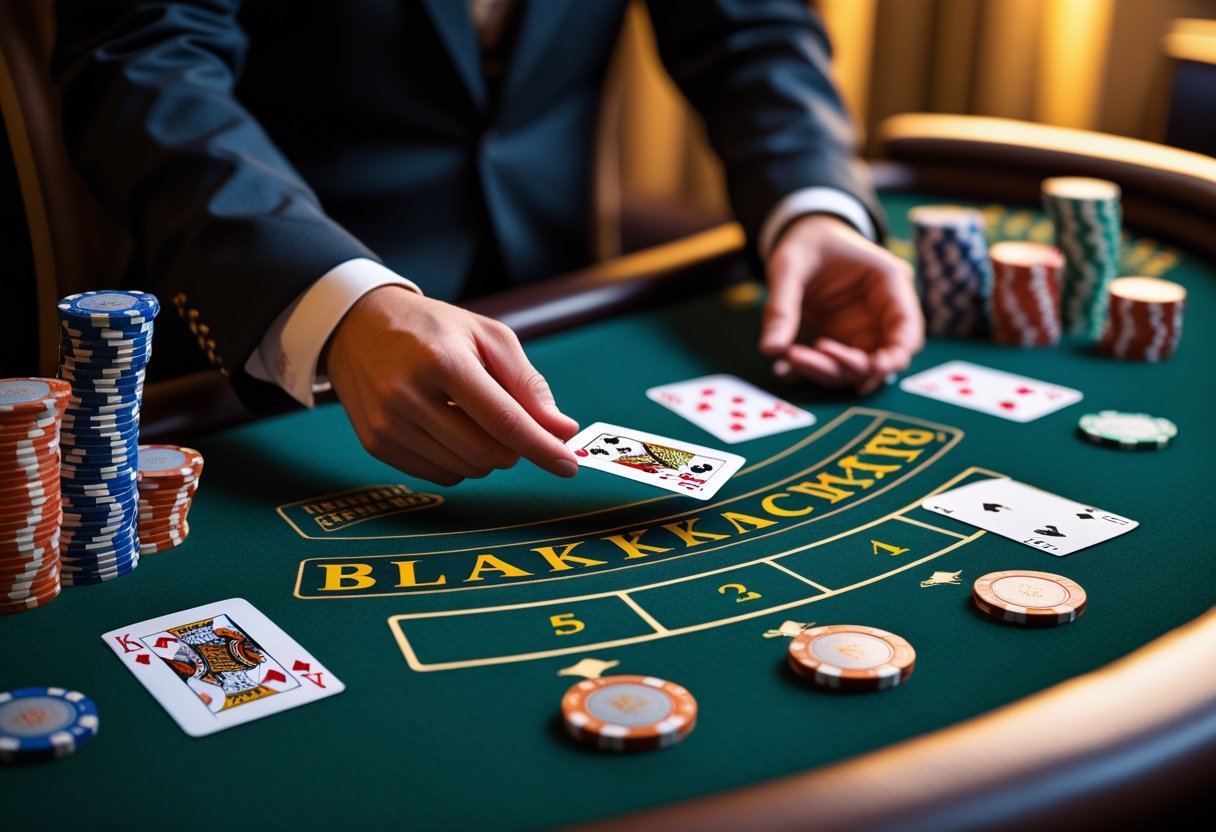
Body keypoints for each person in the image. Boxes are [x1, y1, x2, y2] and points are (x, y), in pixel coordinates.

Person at [52, 0, 923, 486]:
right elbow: (144, 61)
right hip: (265, 355)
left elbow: (753, 30)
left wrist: (813, 209)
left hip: (560, 316)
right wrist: (342, 301)